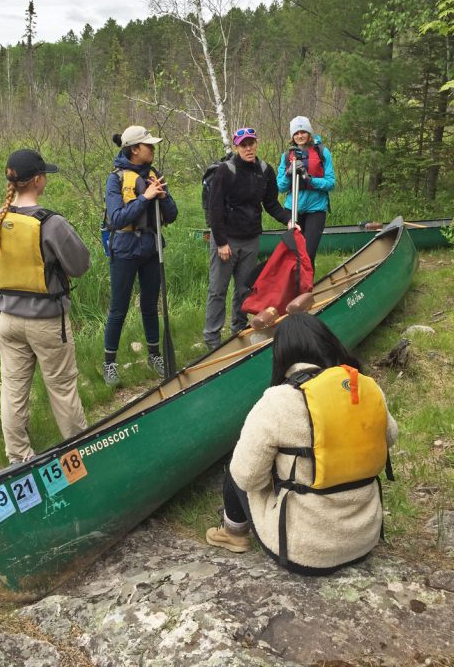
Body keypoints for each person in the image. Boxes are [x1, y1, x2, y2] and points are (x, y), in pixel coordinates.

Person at [206, 313, 398, 575]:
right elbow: (390, 436)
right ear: (329, 344)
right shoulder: (365, 388)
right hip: (364, 539)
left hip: (306, 551)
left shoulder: (279, 399)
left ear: (282, 355)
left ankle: (234, 533)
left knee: (236, 467)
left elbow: (247, 477)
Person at [0, 149, 90, 464]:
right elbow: (80, 264)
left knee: (13, 390)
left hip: (7, 320)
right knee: (62, 388)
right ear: (38, 180)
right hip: (45, 321)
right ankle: (81, 451)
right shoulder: (51, 223)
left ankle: (18, 456)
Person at [203, 127, 292, 351]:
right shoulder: (226, 170)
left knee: (244, 289)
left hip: (251, 239)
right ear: (236, 147)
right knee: (218, 290)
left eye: (251, 143)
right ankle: (212, 340)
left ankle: (239, 331)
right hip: (226, 240)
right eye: (243, 145)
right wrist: (221, 242)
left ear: (257, 143)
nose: (248, 148)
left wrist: (288, 220)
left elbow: (270, 204)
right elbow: (215, 209)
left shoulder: (264, 170)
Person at [102, 125, 178, 386]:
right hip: (124, 249)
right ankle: (109, 362)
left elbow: (173, 214)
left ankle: (155, 355)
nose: (153, 149)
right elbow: (117, 217)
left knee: (149, 304)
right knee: (118, 308)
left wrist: (163, 196)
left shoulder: (154, 174)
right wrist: (145, 197)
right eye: (148, 146)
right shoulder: (115, 179)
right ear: (135, 149)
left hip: (151, 248)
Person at [276, 116, 335, 270]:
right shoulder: (287, 156)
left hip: (316, 210)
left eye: (303, 132)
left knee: (308, 254)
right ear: (292, 136)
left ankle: (307, 290)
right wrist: (289, 174)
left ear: (309, 133)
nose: (300, 136)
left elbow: (331, 183)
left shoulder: (322, 152)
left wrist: (310, 178)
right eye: (296, 133)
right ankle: (293, 289)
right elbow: (280, 187)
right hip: (293, 209)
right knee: (293, 254)